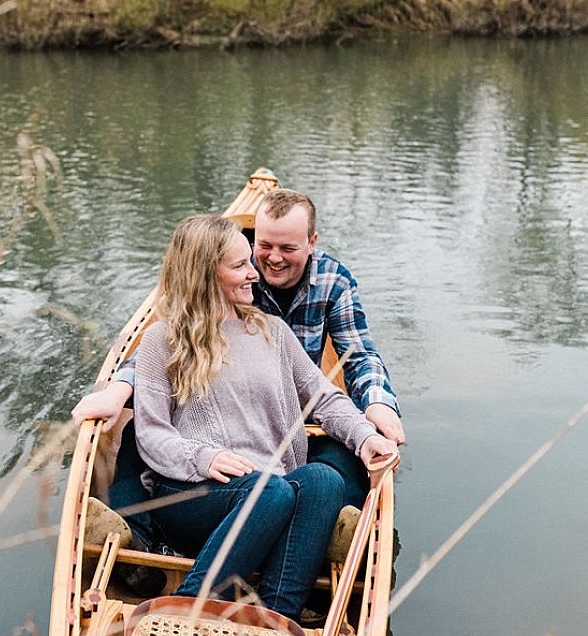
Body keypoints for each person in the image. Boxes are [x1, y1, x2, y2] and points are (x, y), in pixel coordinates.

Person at [73, 188, 403, 585]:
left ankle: (333, 532)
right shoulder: (225, 281)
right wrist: (119, 390)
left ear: (311, 244)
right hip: (211, 448)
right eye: (261, 247)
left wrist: (376, 410)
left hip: (287, 420)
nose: (268, 261)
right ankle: (139, 543)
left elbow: (356, 358)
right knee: (133, 434)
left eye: (287, 247)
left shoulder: (324, 289)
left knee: (334, 465)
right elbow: (164, 347)